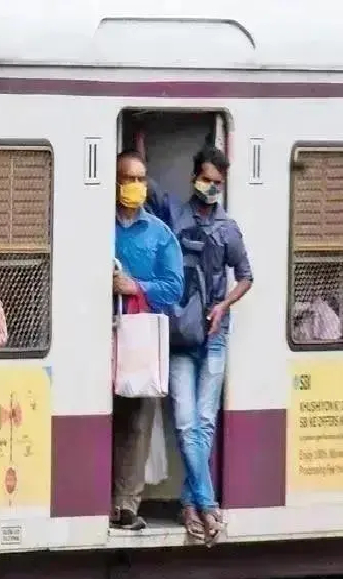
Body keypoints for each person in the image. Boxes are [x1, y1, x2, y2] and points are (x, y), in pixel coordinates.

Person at [169, 146, 252, 542]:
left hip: (216, 336)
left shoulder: (229, 228)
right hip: (182, 334)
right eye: (206, 180)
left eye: (218, 183)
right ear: (193, 178)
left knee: (203, 422)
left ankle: (190, 504)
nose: (211, 188)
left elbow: (247, 277)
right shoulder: (174, 216)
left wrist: (223, 305)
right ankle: (206, 503)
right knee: (186, 423)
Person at [111, 149, 183, 531]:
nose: (135, 186)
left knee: (137, 421)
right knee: (102, 416)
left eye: (141, 179)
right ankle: (96, 499)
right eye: (128, 178)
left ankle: (126, 505)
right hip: (100, 333)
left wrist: (134, 285)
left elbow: (174, 288)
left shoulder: (160, 233)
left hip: (140, 335)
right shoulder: (97, 227)